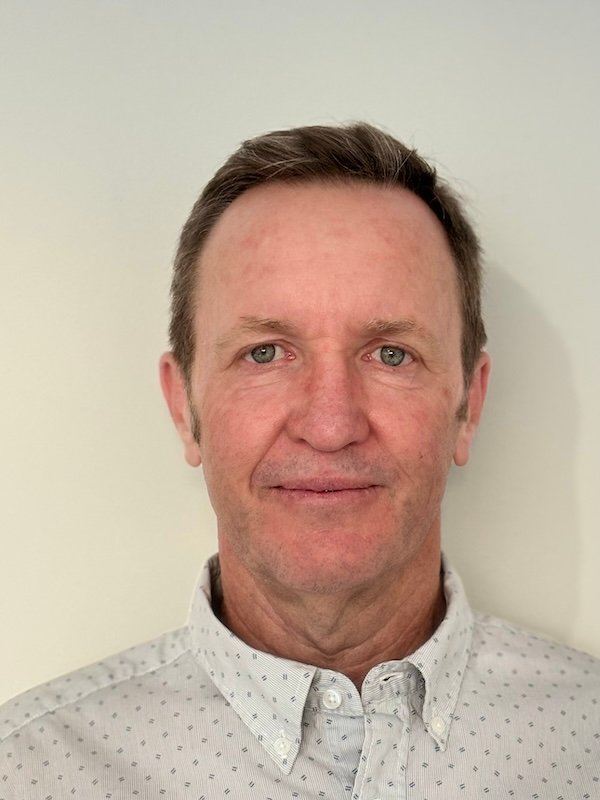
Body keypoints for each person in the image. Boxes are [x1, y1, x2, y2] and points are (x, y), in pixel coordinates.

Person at [1, 123, 598, 799]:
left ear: (468, 406)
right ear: (184, 407)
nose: (330, 426)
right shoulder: (29, 773)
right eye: (264, 353)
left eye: (391, 354)